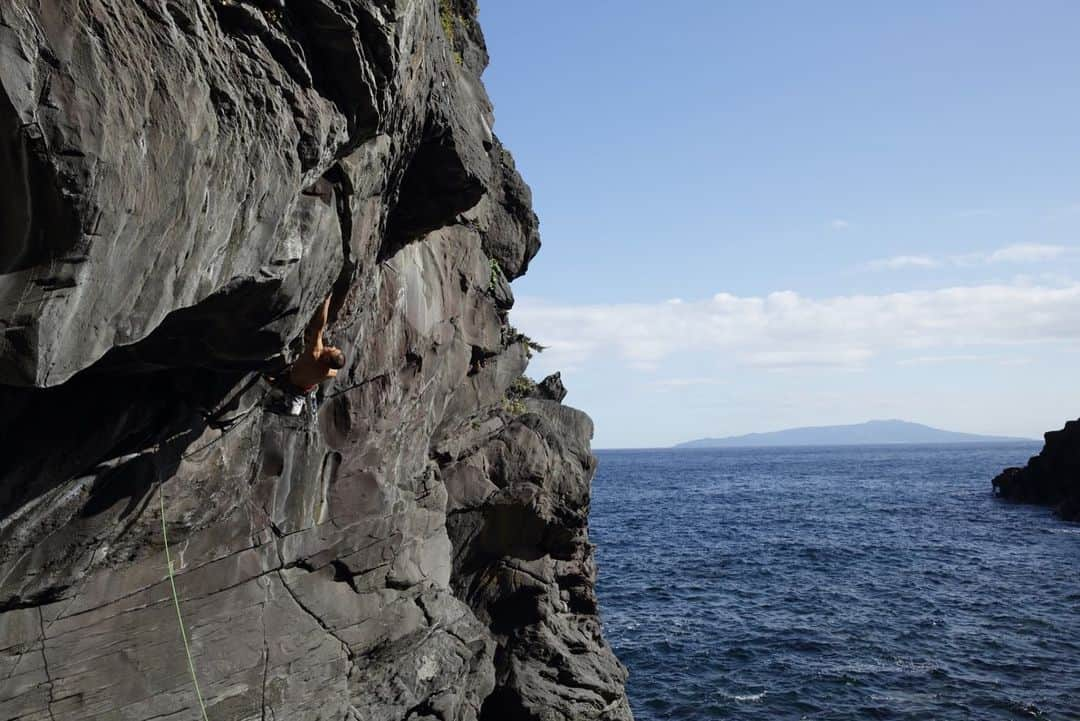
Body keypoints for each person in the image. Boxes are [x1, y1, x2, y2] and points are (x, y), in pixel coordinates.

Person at [284, 296, 346, 416]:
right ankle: (296, 404)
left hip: (290, 380)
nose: (332, 346)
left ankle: (294, 403)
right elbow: (334, 369)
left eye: (333, 349)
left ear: (327, 358)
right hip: (302, 390)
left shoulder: (315, 353)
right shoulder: (330, 373)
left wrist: (327, 301)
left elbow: (318, 328)